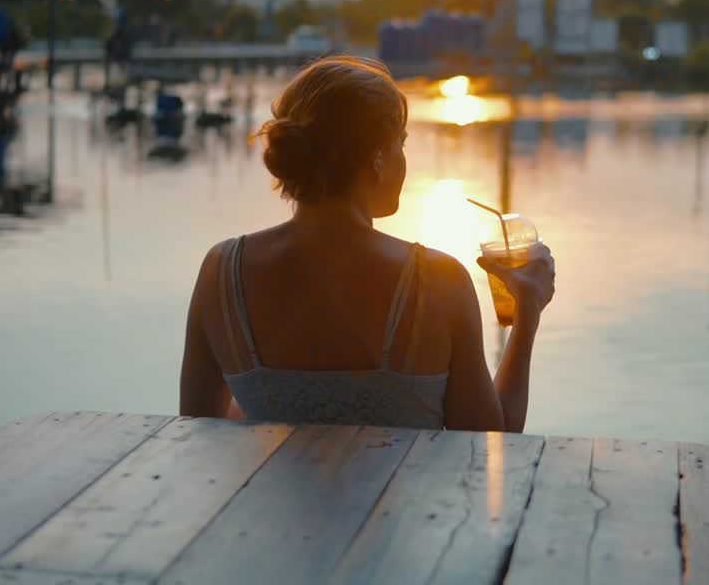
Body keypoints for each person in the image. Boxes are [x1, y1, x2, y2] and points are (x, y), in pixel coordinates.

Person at [180, 56, 555, 432]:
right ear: (377, 157)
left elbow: (198, 434)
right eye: (401, 143)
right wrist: (527, 315)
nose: (404, 159)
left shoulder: (222, 271)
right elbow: (490, 445)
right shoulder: (436, 282)